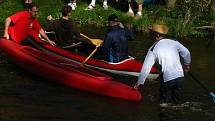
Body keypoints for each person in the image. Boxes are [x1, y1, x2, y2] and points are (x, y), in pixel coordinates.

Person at [134, 24, 191, 104]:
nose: (150, 34)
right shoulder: (174, 42)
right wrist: (187, 65)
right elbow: (186, 53)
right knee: (178, 103)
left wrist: (138, 83)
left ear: (156, 35)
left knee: (164, 104)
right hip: (180, 76)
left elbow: (146, 68)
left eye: (151, 32)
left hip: (168, 78)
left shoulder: (153, 49)